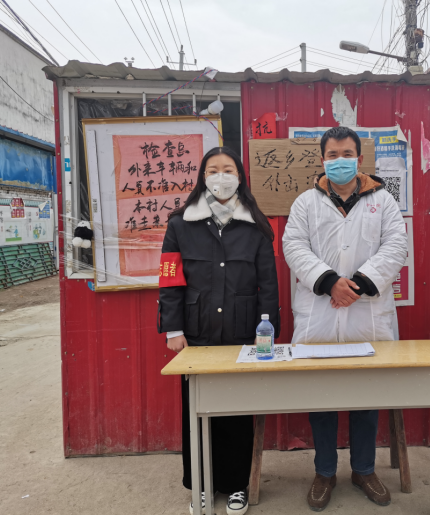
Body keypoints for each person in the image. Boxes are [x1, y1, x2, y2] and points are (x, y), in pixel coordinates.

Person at [282, 126, 408, 511]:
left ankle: (364, 470)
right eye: (333, 155)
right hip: (319, 315)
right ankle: (324, 472)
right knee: (321, 399)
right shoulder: (305, 202)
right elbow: (293, 245)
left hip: (366, 312)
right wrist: (329, 282)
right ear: (323, 159)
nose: (340, 161)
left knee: (366, 398)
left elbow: (396, 245)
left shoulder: (382, 200)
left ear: (359, 158)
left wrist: (359, 284)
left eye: (347, 154)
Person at [157, 146, 279, 515]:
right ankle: (201, 485)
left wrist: (267, 332)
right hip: (196, 334)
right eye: (213, 170)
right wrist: (173, 329)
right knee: (197, 412)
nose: (220, 176)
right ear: (202, 177)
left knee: (237, 413)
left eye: (228, 169)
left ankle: (236, 484)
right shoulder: (180, 224)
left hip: (242, 333)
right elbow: (170, 279)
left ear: (240, 177)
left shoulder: (255, 226)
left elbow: (268, 285)